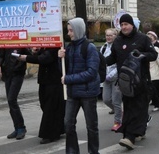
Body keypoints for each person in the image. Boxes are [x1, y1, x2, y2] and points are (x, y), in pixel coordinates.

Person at [106, 13, 158, 150]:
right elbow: (112, 58)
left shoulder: (142, 39)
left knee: (138, 107)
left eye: (126, 24)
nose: (124, 27)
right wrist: (98, 60)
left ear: (132, 25)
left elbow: (154, 55)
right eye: (122, 24)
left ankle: (130, 137)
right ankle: (135, 132)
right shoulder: (117, 41)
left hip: (141, 80)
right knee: (128, 108)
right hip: (124, 82)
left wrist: (143, 55)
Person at [58, 17, 101, 154]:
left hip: (88, 93)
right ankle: (72, 151)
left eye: (71, 30)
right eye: (68, 30)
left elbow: (91, 73)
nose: (69, 33)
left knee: (91, 126)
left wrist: (68, 79)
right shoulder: (69, 48)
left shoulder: (90, 48)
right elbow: (64, 71)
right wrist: (60, 59)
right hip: (72, 93)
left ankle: (93, 151)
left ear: (78, 30)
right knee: (68, 124)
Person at [18, 47, 65, 144]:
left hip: (53, 80)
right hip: (45, 80)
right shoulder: (45, 47)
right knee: (44, 104)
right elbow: (40, 56)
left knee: (50, 108)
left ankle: (49, 134)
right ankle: (58, 128)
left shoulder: (55, 46)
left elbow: (44, 59)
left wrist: (26, 58)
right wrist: (35, 52)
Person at [0, 48, 31, 140]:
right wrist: (0, 66)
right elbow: (1, 56)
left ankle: (21, 127)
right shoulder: (5, 43)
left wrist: (19, 65)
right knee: (10, 102)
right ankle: (17, 127)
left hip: (17, 74)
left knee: (11, 99)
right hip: (7, 73)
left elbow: (29, 55)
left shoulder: (21, 43)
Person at [100, 28, 123, 131]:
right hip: (106, 78)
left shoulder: (118, 47)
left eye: (111, 35)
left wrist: (112, 75)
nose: (108, 37)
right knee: (106, 99)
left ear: (115, 36)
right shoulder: (104, 47)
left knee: (116, 100)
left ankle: (118, 121)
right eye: (107, 35)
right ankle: (120, 113)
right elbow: (102, 62)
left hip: (116, 77)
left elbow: (120, 64)